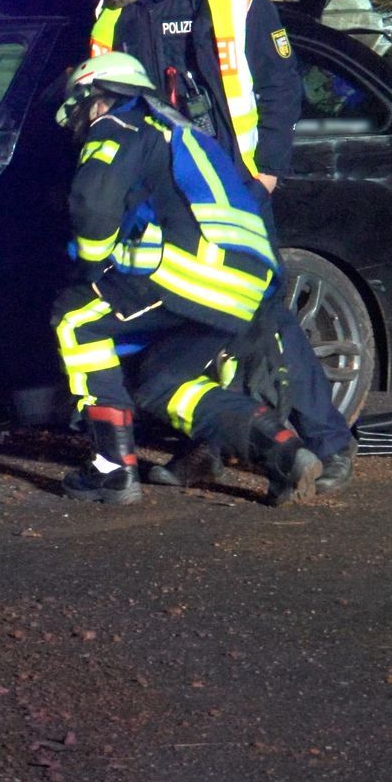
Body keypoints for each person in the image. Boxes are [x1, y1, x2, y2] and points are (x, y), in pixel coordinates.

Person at [81, 0, 357, 493]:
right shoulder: (113, 16)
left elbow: (281, 85)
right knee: (197, 321)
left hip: (233, 185)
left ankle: (328, 444)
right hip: (163, 194)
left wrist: (267, 171)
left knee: (260, 314)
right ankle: (211, 446)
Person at [50, 53, 322, 506]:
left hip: (191, 274)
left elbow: (93, 205)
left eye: (78, 114)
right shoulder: (183, 133)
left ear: (95, 99)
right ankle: (284, 451)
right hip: (243, 288)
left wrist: (92, 270)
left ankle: (111, 471)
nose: (78, 125)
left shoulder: (119, 125)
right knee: (164, 384)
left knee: (76, 317)